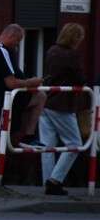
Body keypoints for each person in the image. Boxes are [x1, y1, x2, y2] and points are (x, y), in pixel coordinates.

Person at [0, 24, 46, 188]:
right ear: (11, 37)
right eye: (17, 42)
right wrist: (29, 82)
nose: (17, 46)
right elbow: (10, 82)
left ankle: (29, 136)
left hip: (7, 101)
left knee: (40, 96)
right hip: (3, 103)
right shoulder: (0, 51)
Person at [39, 23, 86, 196]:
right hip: (62, 104)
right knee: (74, 144)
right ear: (75, 38)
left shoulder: (51, 51)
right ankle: (55, 180)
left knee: (47, 146)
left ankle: (48, 180)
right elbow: (80, 78)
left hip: (46, 102)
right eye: (80, 38)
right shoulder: (70, 55)